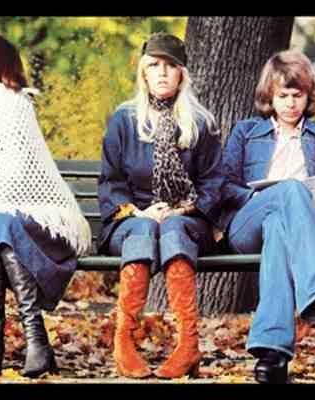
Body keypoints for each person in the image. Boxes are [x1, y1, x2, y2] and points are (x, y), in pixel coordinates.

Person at [218, 50, 315, 384]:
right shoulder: (246, 132)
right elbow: (223, 186)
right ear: (269, 96)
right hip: (247, 225)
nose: (290, 103)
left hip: (291, 233)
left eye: (297, 95)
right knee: (289, 190)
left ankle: (272, 354)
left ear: (308, 96)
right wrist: (264, 197)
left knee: (280, 227)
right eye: (283, 95)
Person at [0, 30, 92, 378]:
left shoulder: (14, 103)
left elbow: (17, 177)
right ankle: (22, 340)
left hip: (37, 217)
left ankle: (4, 341)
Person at [98, 33, 223, 379]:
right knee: (143, 228)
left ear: (182, 74)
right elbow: (110, 181)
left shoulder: (201, 123)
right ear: (144, 72)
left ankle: (188, 345)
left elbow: (214, 182)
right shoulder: (124, 120)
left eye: (171, 65)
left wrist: (182, 210)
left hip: (187, 219)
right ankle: (123, 343)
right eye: (154, 65)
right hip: (131, 220)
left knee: (172, 227)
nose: (163, 72)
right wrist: (139, 213)